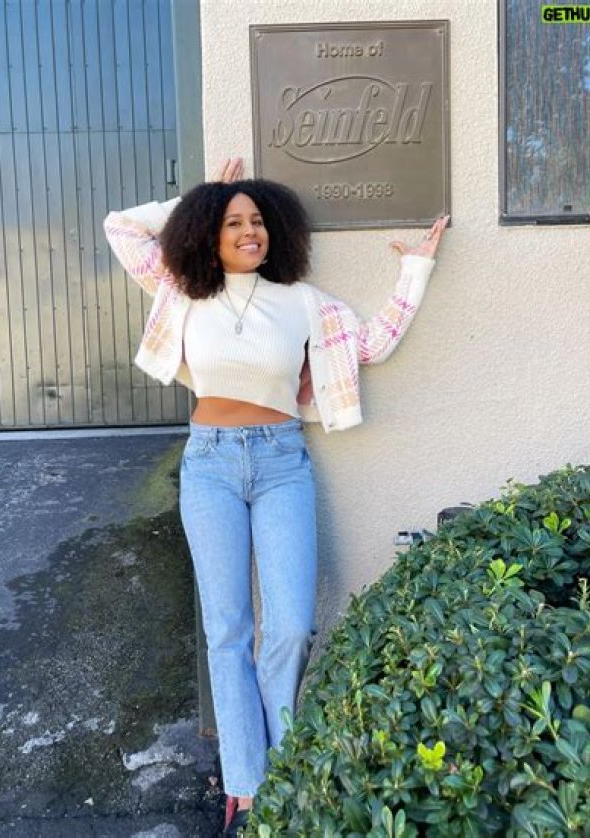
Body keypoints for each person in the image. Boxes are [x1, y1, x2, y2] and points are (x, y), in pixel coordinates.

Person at [104, 159, 448, 835]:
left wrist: (417, 267)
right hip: (209, 464)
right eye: (232, 221)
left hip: (282, 462)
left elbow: (373, 344)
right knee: (228, 629)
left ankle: (284, 763)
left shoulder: (302, 302)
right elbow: (120, 227)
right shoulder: (181, 289)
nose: (249, 231)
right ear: (208, 233)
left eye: (257, 221)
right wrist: (194, 195)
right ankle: (247, 787)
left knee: (290, 625)